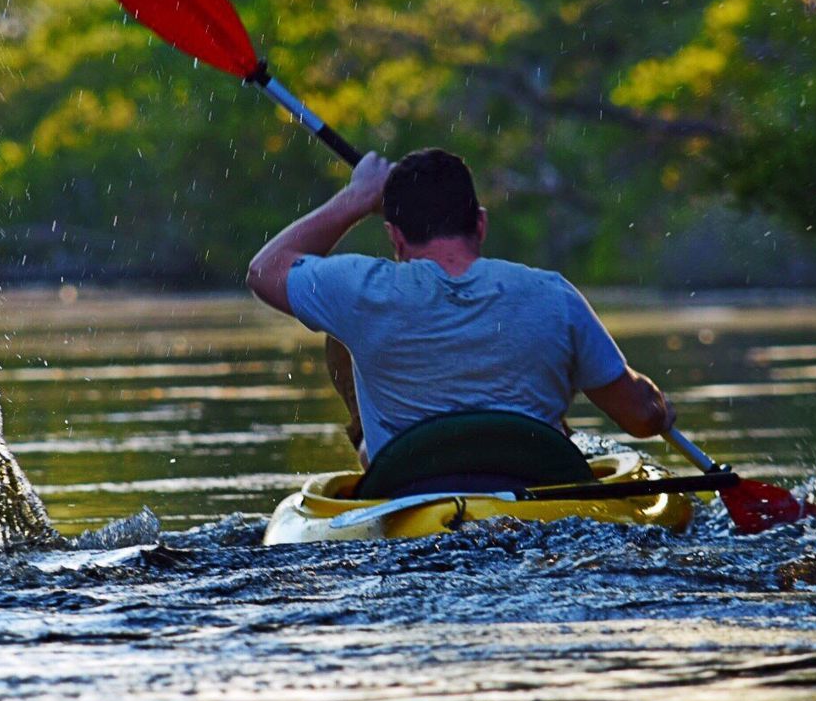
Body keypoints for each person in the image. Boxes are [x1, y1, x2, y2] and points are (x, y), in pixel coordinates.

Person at [246, 147, 675, 466]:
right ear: (481, 224)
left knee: (338, 328)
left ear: (395, 238)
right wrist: (659, 408)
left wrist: (356, 197)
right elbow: (639, 417)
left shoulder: (359, 289)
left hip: (412, 499)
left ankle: (370, 449)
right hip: (535, 505)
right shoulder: (553, 295)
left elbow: (264, 270)